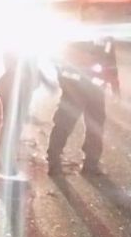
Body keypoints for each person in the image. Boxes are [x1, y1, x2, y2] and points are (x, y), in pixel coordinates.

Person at [47, 35, 119, 176]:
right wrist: (64, 81)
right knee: (64, 124)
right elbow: (58, 55)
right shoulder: (78, 30)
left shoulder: (105, 34)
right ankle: (54, 161)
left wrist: (115, 85)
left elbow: (110, 60)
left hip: (95, 88)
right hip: (74, 88)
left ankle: (91, 164)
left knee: (95, 126)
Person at [0, 52, 39, 178]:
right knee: (12, 125)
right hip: (17, 82)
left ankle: (5, 163)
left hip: (15, 81)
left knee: (12, 125)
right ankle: (5, 164)